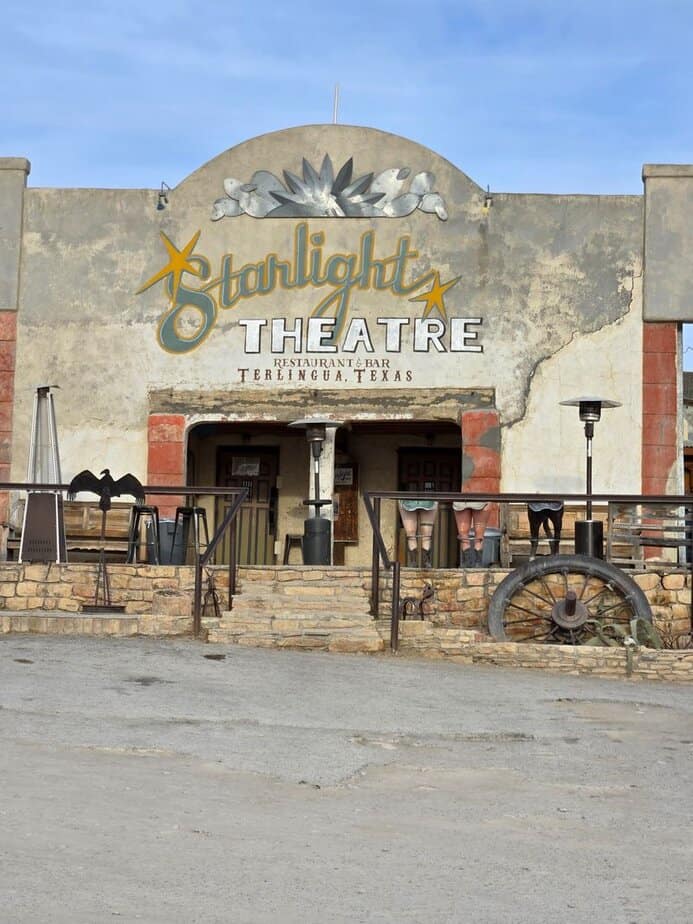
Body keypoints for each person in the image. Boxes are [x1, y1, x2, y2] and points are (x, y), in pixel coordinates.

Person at [398, 499, 438, 568]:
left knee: (426, 532)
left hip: (427, 493)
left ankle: (426, 561)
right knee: (410, 533)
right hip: (408, 494)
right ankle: (413, 561)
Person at [452, 501, 489, 567]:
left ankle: (468, 564)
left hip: (463, 498)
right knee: (477, 536)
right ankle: (477, 564)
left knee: (465, 536)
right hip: (479, 496)